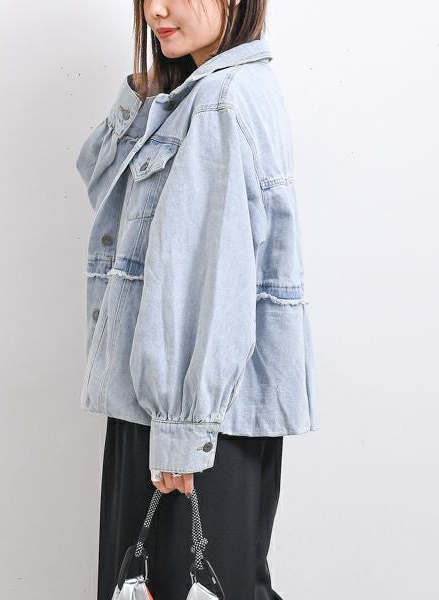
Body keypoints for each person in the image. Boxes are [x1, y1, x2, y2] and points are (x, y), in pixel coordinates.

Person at [75, 1, 319, 598]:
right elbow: (100, 183)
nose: (155, 10)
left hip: (184, 409)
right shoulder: (217, 91)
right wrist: (143, 97)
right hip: (191, 405)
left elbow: (206, 277)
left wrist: (182, 428)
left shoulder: (218, 102)